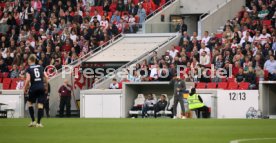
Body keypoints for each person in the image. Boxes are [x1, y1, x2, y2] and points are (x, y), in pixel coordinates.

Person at [24, 54, 48, 127]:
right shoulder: (41, 67)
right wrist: (46, 86)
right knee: (40, 104)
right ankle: (39, 123)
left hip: (33, 87)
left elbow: (28, 79)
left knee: (30, 103)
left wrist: (25, 88)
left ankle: (33, 121)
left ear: (30, 60)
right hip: (41, 87)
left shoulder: (28, 68)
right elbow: (46, 77)